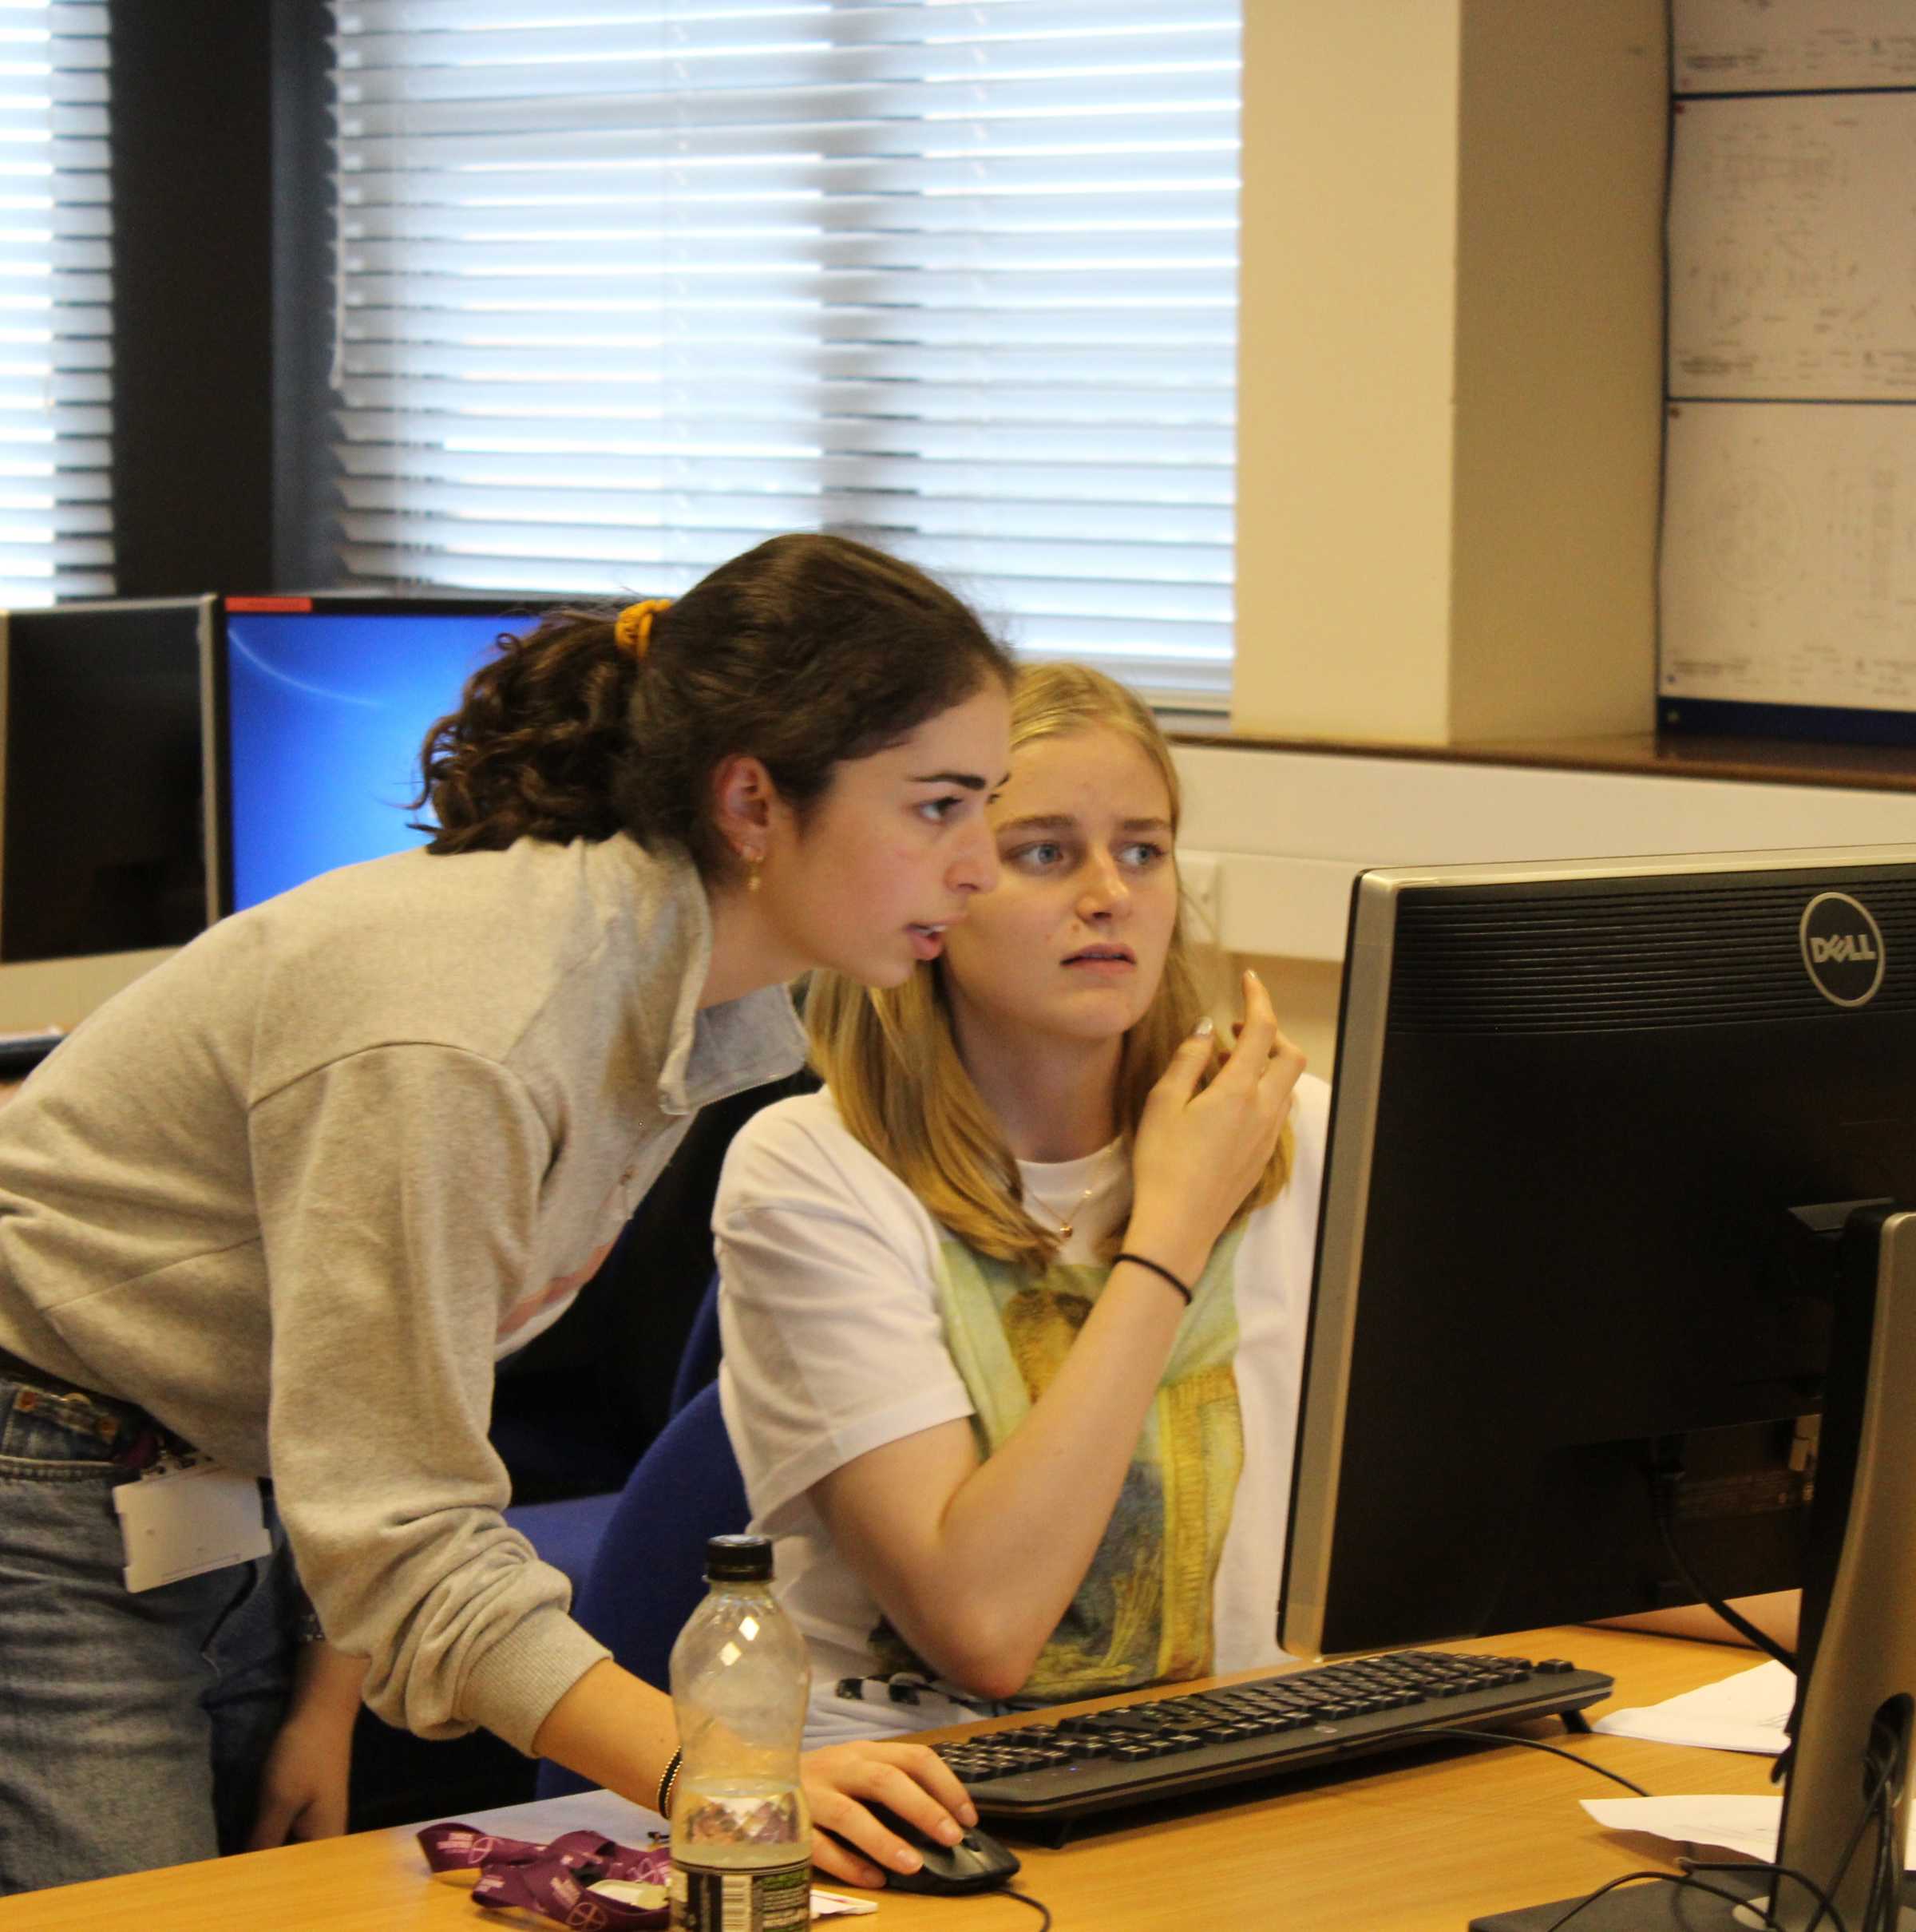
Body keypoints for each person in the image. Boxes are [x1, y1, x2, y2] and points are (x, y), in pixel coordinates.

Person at [0, 533, 1006, 1895]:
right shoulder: (475, 1034)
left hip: (216, 1487)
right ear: (755, 804)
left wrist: (325, 1693)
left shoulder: (667, 1001)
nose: (982, 867)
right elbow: (406, 1510)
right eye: (938, 807)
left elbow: (399, 1411)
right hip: (43, 1472)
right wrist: (717, 1765)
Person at [713, 663, 1324, 1765]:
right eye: (1044, 852)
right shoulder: (810, 1175)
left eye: (1144, 850)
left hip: (1232, 1762)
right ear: (937, 888)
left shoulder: (1286, 1132)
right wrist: (1170, 1238)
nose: (1110, 893)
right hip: (922, 1790)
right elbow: (983, 1630)